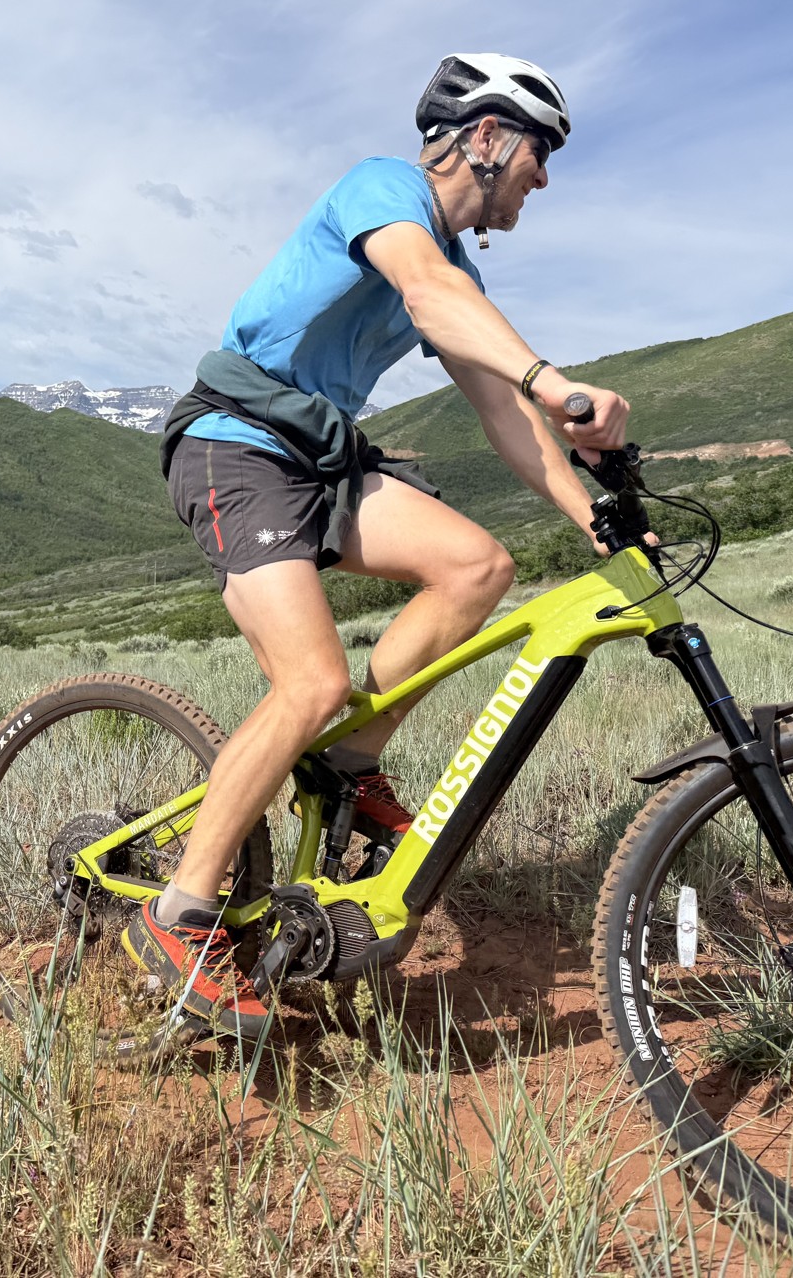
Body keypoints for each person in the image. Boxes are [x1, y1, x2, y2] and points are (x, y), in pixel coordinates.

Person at [121, 53, 634, 1040]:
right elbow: (428, 293)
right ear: (487, 137)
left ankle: (347, 766)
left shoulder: (459, 273)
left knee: (477, 566)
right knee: (310, 684)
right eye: (541, 151)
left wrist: (593, 518)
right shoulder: (383, 190)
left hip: (318, 459)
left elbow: (506, 415)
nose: (544, 178)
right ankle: (176, 915)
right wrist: (556, 381)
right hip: (236, 444)